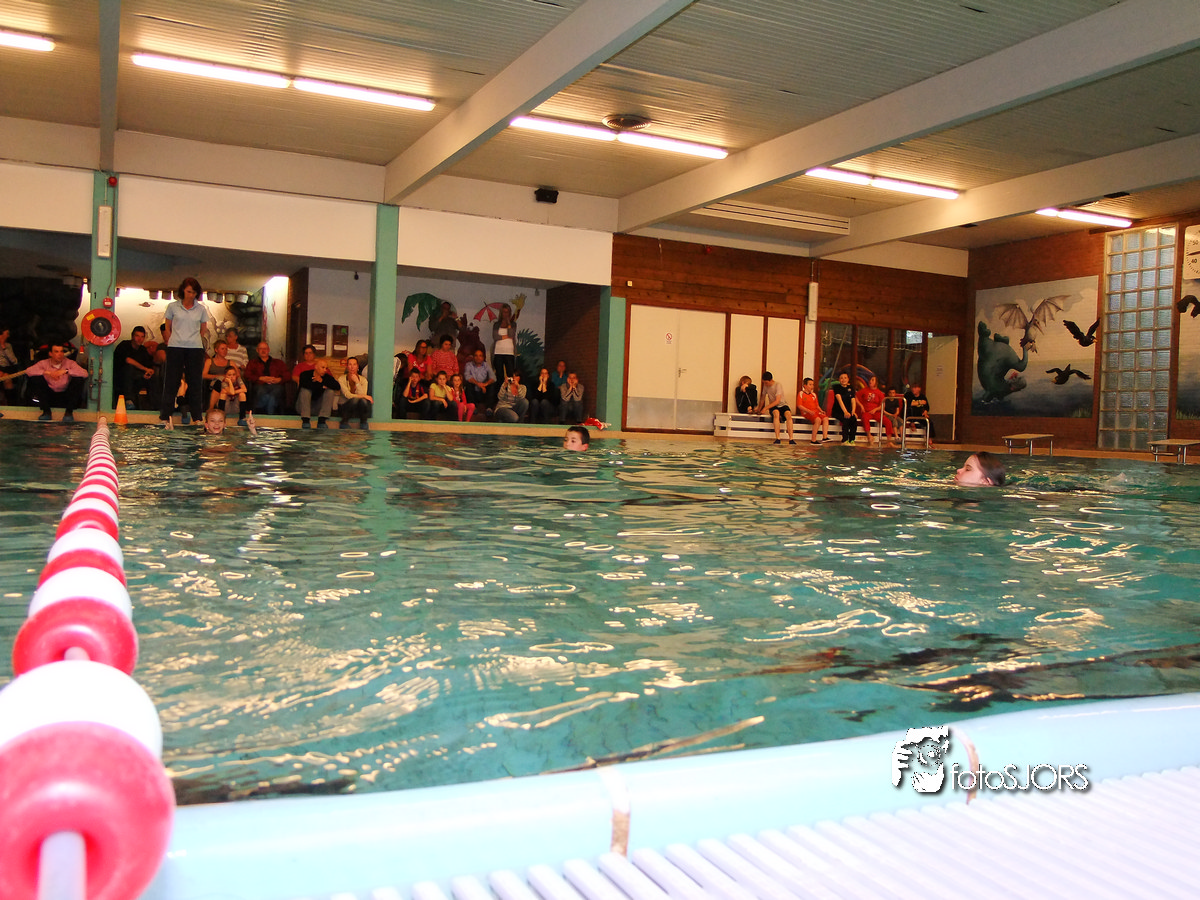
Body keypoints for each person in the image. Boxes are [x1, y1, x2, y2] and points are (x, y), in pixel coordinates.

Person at [160, 276, 210, 427]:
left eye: (194, 292)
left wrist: (194, 339)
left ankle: (197, 416)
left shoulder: (201, 309)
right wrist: (171, 339)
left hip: (195, 348)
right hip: (175, 346)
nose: (191, 295)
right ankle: (165, 415)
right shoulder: (172, 307)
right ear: (183, 291)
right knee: (171, 381)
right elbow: (167, 326)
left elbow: (203, 328)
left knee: (195, 383)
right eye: (189, 292)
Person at [2, 343, 87, 422]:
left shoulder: (70, 363)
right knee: (35, 379)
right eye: (56, 352)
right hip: (49, 396)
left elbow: (85, 373)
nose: (60, 354)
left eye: (61, 351)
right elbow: (29, 371)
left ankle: (69, 413)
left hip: (65, 396)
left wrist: (66, 371)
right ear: (50, 353)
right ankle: (46, 412)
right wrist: (47, 373)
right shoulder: (43, 363)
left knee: (78, 379)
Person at [112, 325, 154, 409]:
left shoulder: (142, 350)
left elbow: (149, 366)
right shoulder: (124, 345)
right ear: (132, 336)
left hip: (138, 377)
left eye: (142, 337)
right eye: (137, 336)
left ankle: (154, 405)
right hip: (121, 378)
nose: (139, 339)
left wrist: (149, 372)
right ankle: (129, 400)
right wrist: (145, 369)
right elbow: (128, 360)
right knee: (129, 369)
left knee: (154, 378)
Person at [243, 341, 288, 414]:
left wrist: (279, 379)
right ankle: (270, 416)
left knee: (275, 392)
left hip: (275, 385)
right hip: (260, 385)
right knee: (266, 394)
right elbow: (247, 375)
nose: (263, 351)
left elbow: (287, 375)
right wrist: (260, 378)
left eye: (265, 349)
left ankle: (264, 415)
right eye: (261, 349)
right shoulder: (252, 363)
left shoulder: (278, 362)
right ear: (257, 350)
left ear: (269, 350)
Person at [298, 358, 339, 429]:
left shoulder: (326, 377)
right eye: (323, 367)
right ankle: (305, 420)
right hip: (302, 407)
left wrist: (321, 381)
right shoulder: (305, 374)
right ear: (316, 367)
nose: (325, 370)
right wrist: (321, 386)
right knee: (305, 390)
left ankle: (322, 420)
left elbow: (337, 386)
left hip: (317, 407)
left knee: (330, 391)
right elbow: (305, 385)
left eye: (326, 368)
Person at [755, 371, 794, 444]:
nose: (765, 384)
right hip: (774, 406)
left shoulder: (778, 385)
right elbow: (762, 398)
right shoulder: (765, 386)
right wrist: (759, 409)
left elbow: (777, 401)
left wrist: (765, 408)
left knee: (788, 415)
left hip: (782, 404)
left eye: (766, 383)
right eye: (764, 383)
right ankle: (777, 438)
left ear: (771, 380)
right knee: (776, 414)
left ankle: (791, 439)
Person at [856, 375, 893, 447]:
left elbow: (882, 405)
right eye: (870, 380)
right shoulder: (864, 390)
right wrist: (861, 406)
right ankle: (869, 436)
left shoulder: (879, 393)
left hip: (876, 412)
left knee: (888, 421)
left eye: (872, 380)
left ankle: (889, 441)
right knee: (864, 418)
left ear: (876, 382)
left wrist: (875, 409)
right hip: (867, 411)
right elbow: (855, 396)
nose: (870, 381)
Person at [337, 357, 372, 429]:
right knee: (355, 399)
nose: (352, 367)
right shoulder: (341, 379)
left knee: (363, 401)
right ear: (347, 367)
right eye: (350, 364)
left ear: (357, 366)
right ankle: (344, 422)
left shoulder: (363, 380)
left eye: (354, 364)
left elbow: (363, 395)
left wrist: (357, 382)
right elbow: (348, 395)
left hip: (358, 408)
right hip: (344, 407)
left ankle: (363, 422)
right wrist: (365, 396)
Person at [796, 377, 831, 443]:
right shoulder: (801, 393)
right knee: (818, 420)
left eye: (813, 385)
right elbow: (799, 405)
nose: (812, 386)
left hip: (815, 411)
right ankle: (813, 440)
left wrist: (821, 411)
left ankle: (825, 437)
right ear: (805, 386)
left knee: (825, 418)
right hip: (807, 412)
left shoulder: (814, 395)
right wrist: (809, 411)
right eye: (810, 384)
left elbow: (817, 406)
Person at [492, 303, 520, 379]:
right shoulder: (497, 324)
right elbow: (495, 336)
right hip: (498, 352)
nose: (505, 314)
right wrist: (506, 336)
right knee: (499, 374)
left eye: (507, 312)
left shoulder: (513, 324)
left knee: (510, 374)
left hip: (509, 352)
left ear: (509, 313)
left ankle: (509, 387)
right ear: (501, 313)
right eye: (504, 312)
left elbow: (511, 334)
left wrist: (508, 324)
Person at [202, 340, 232, 410]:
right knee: (218, 383)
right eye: (222, 349)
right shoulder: (209, 361)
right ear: (216, 350)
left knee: (222, 384)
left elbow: (237, 375)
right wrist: (219, 377)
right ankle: (211, 408)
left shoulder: (231, 362)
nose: (225, 351)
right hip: (212, 383)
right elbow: (203, 375)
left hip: (227, 383)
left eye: (226, 349)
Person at [463, 348, 496, 413]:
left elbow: (493, 377)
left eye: (480, 356)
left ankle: (489, 408)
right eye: (476, 355)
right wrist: (478, 384)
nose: (478, 358)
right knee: (469, 384)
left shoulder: (486, 365)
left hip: (483, 391)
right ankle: (473, 407)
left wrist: (485, 384)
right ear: (473, 357)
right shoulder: (469, 365)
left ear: (483, 358)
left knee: (492, 385)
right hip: (473, 392)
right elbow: (467, 376)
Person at [831, 371, 859, 444]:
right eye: (841, 378)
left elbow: (853, 400)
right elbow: (839, 400)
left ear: (848, 379)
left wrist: (853, 411)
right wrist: (845, 412)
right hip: (838, 411)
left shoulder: (851, 388)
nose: (843, 380)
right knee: (846, 419)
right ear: (839, 379)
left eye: (845, 378)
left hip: (848, 410)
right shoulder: (837, 387)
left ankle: (852, 439)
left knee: (853, 419)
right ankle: (845, 440)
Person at [0, 326, 20, 407]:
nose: (8, 336)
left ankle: (11, 404)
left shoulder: (8, 346)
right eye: (7, 334)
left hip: (8, 368)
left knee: (7, 378)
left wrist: (3, 347)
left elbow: (14, 361)